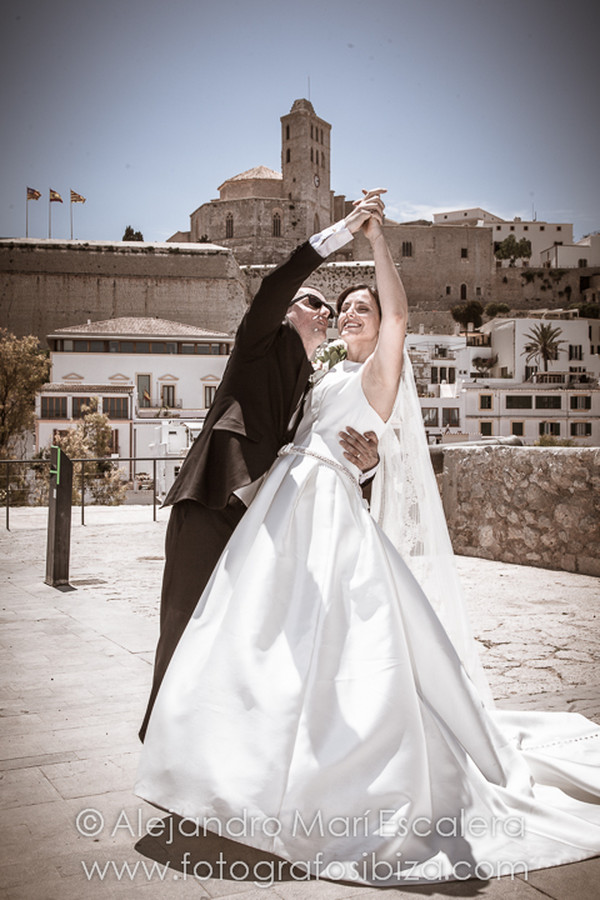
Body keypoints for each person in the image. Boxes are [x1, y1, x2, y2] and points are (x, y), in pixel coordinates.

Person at [136, 195, 600, 886]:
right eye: (335, 307)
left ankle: (320, 776)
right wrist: (366, 460)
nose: (344, 311)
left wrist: (377, 241)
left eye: (358, 307)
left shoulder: (380, 371)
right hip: (276, 510)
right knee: (252, 639)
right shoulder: (314, 375)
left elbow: (402, 321)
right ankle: (220, 761)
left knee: (329, 645)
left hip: (321, 510)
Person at [139, 192, 383, 741]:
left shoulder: (312, 382)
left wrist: (368, 468)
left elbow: (325, 448)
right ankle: (159, 737)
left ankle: (217, 742)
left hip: (260, 527)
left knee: (234, 636)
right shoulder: (256, 344)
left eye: (330, 307)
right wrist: (340, 232)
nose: (327, 311)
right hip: (211, 502)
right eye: (314, 303)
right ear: (288, 312)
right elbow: (276, 285)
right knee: (182, 622)